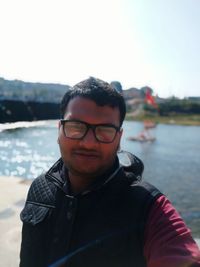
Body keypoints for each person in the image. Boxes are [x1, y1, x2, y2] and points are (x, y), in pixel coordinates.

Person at [19, 77, 200, 267]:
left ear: (119, 138)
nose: (88, 143)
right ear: (60, 129)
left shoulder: (148, 209)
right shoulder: (39, 188)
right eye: (75, 127)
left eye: (104, 130)